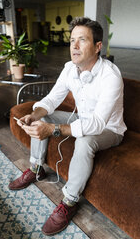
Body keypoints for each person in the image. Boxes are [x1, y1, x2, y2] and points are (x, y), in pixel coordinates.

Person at [8, 17, 127, 236]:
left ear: (98, 46)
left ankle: (70, 201)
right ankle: (36, 169)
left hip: (109, 129)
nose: (74, 46)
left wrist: (54, 130)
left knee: (85, 140)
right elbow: (52, 99)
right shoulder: (70, 69)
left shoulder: (111, 76)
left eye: (82, 40)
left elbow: (98, 123)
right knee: (42, 117)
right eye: (72, 40)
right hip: (83, 119)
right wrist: (34, 115)